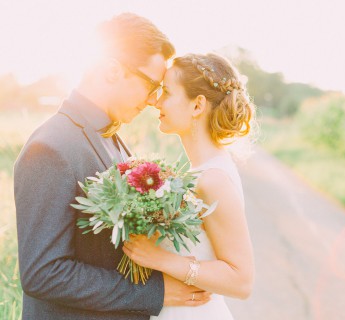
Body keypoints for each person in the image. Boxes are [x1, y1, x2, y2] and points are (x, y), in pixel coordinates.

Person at [14, 13, 210, 320]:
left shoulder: (110, 137)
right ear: (112, 70)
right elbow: (44, 272)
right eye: (151, 85)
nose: (152, 100)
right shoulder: (51, 147)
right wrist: (154, 293)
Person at [122, 53, 256, 319]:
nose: (156, 101)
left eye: (167, 93)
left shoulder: (213, 179)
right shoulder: (198, 172)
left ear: (197, 106)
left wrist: (159, 259)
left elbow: (242, 280)